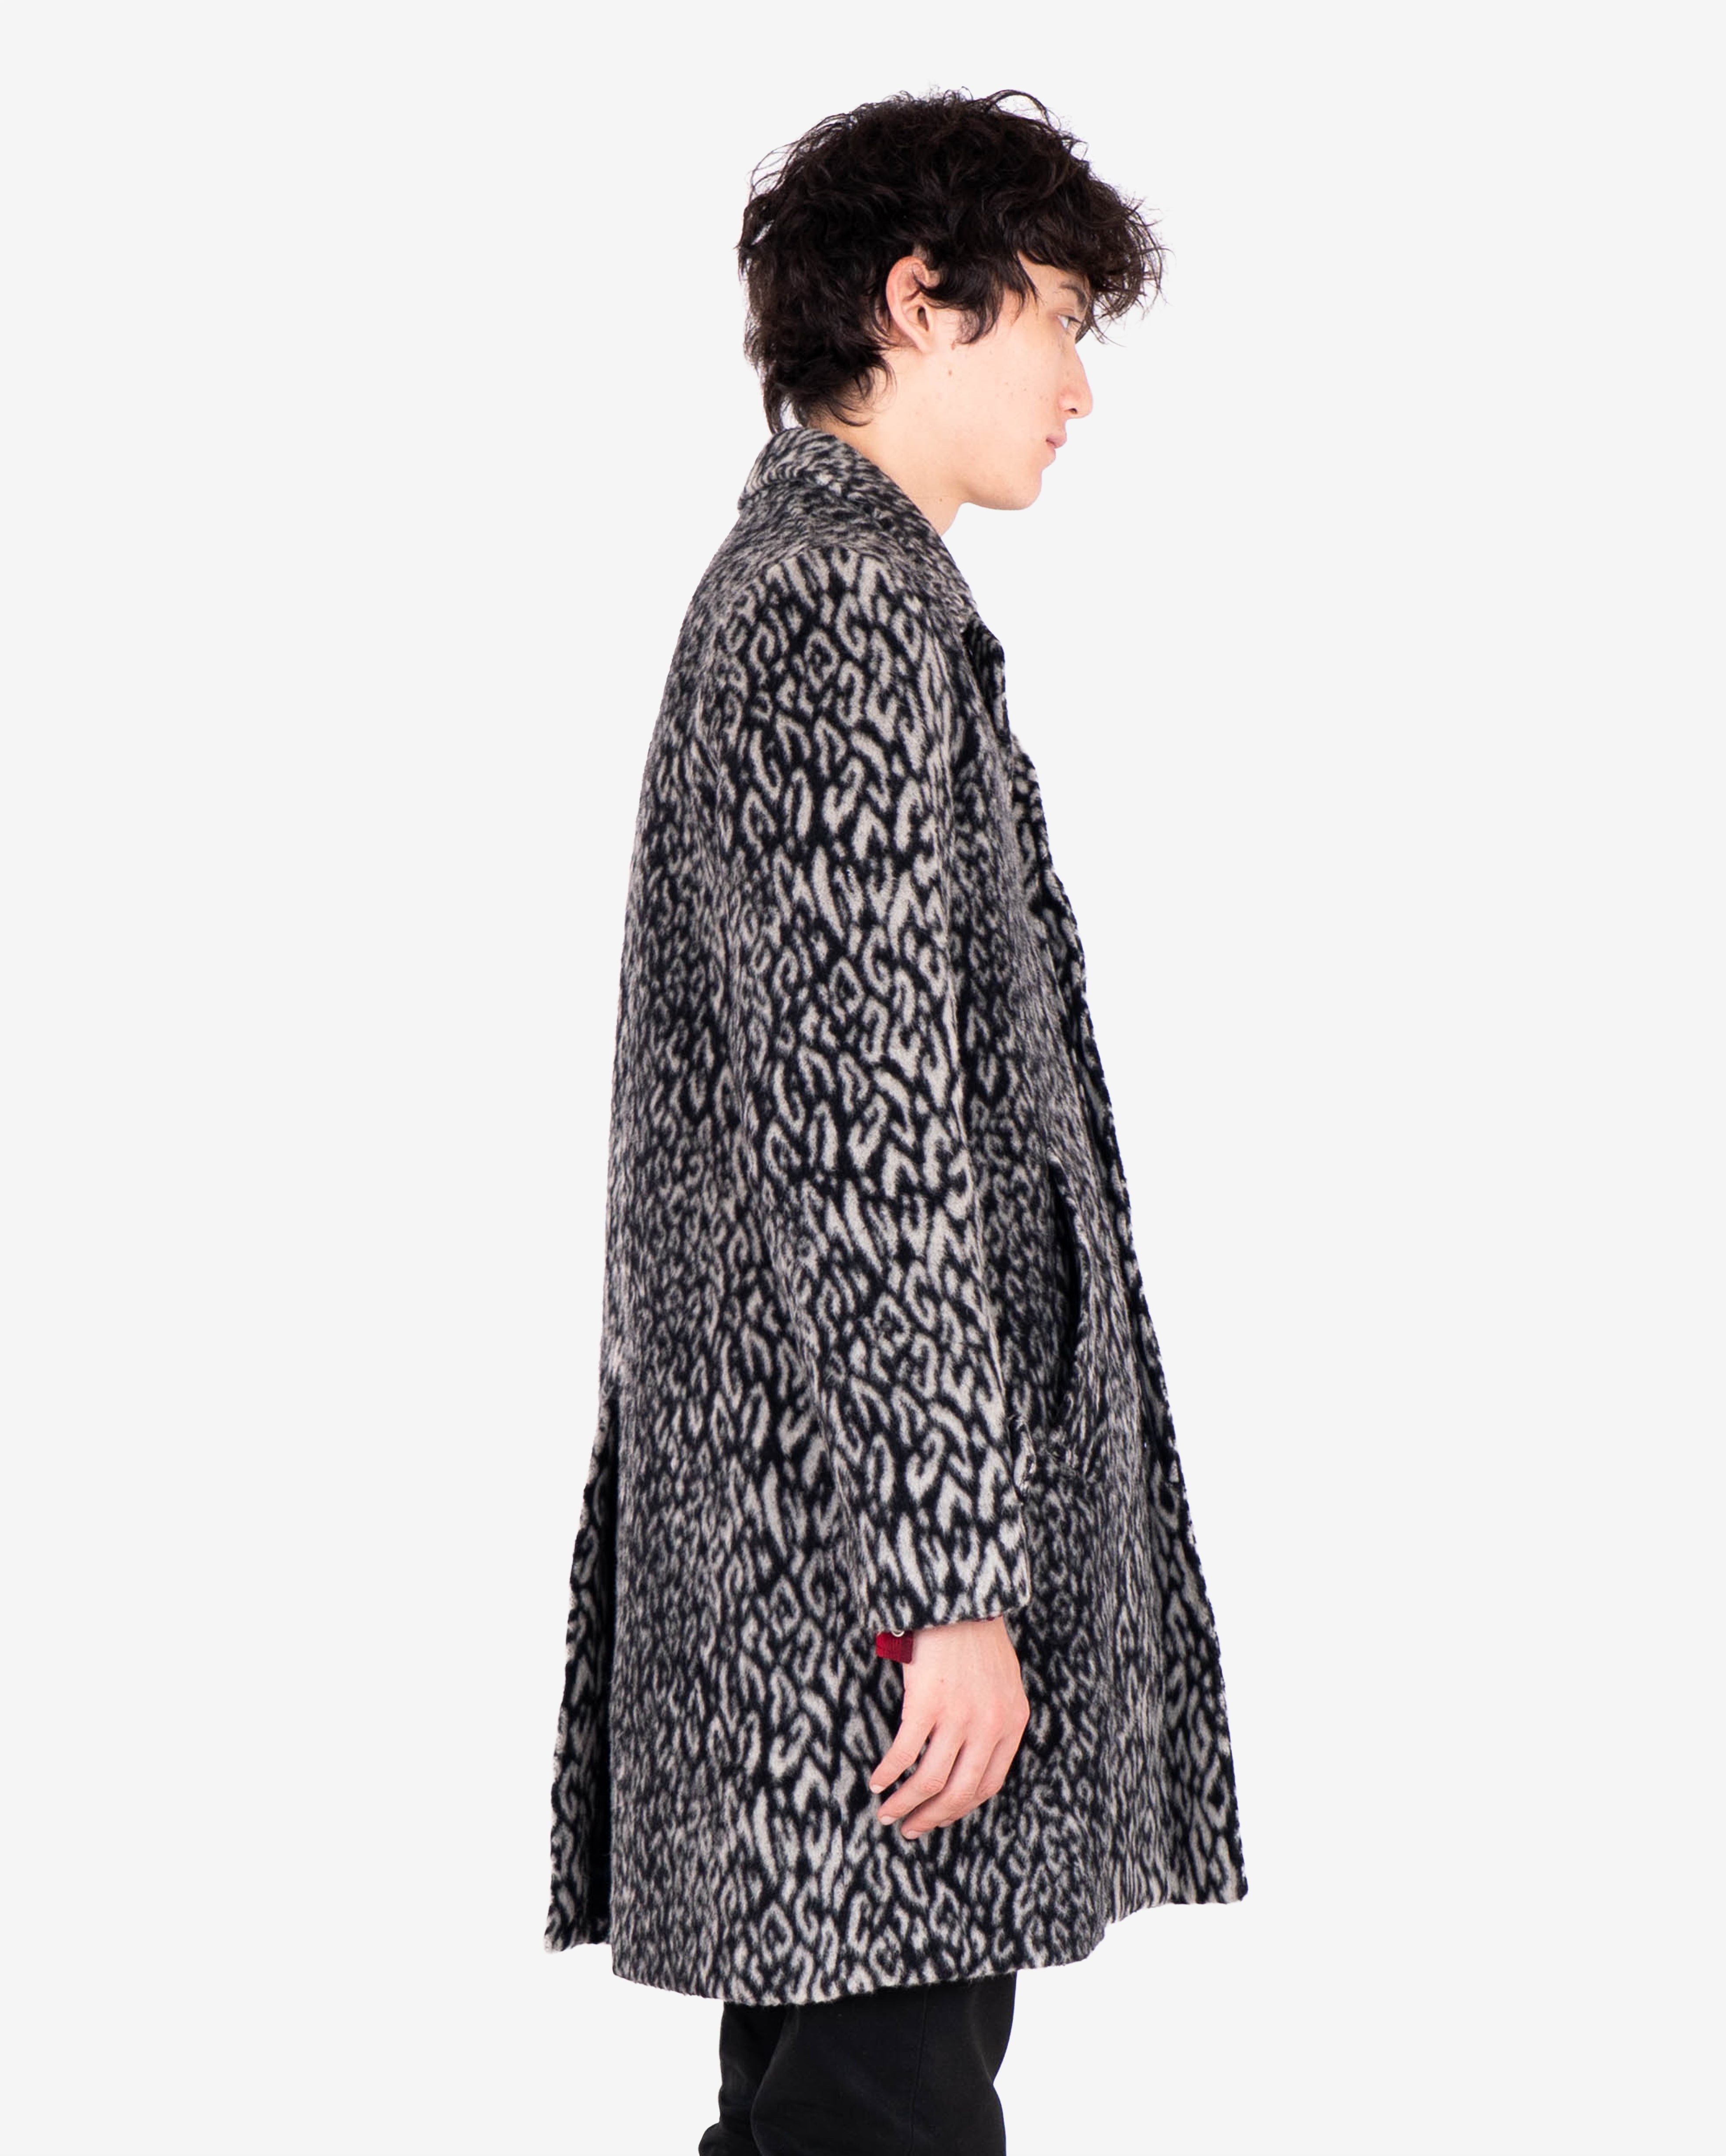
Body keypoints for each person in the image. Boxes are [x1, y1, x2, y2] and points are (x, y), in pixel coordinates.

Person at [545, 87, 1248, 2154]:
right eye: (1054, 322)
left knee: (822, 2105)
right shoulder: (833, 612)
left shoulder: (832, 593)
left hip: (810, 1554)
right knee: (877, 2112)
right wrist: (948, 1582)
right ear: (918, 300)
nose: (1078, 390)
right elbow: (866, 1140)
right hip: (860, 1577)